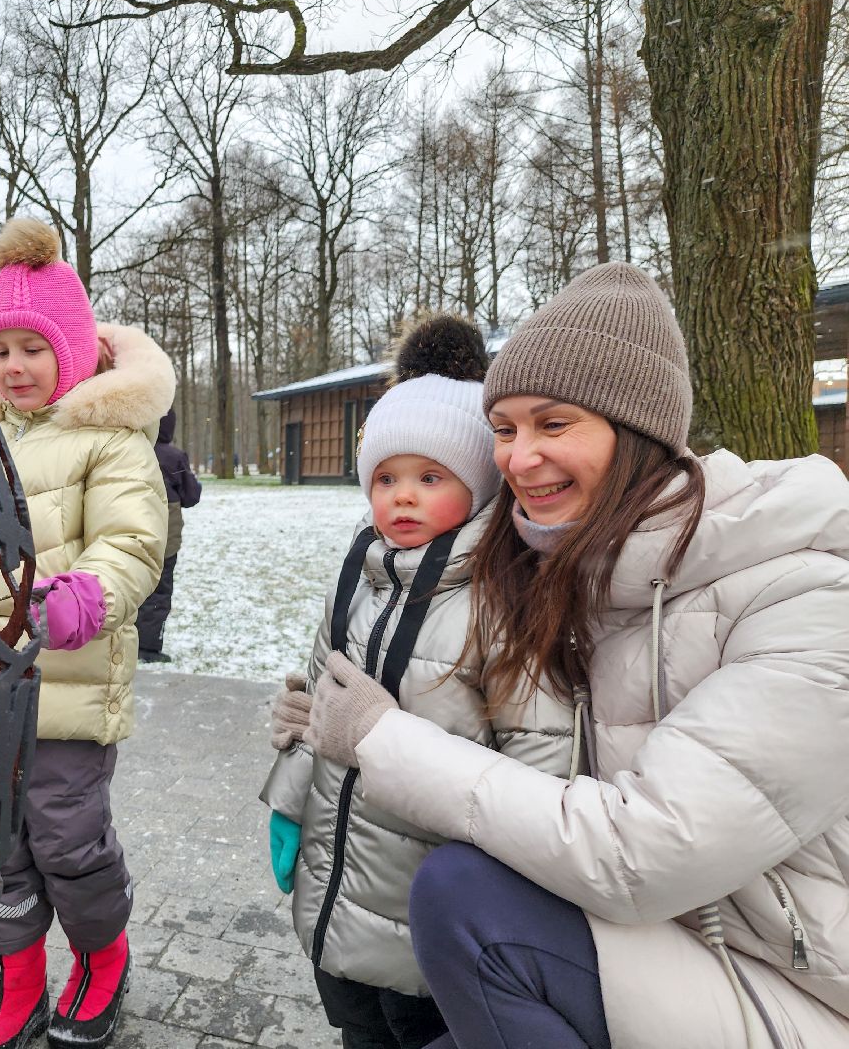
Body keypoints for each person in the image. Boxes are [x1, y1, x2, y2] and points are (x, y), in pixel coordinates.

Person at [293, 262, 849, 1049]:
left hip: (791, 990)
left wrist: (383, 738)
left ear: (641, 434)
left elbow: (645, 853)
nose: (517, 460)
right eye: (505, 430)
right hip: (663, 946)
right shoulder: (570, 572)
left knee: (466, 900)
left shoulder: (807, 598)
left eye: (553, 425)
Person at [262, 315, 572, 1049]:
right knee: (355, 1021)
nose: (402, 497)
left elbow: (540, 750)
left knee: (418, 1029)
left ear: (479, 485)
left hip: (430, 904)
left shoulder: (505, 598)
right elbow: (317, 704)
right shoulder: (358, 574)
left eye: (431, 478)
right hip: (336, 879)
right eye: (387, 478)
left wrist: (510, 897)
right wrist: (286, 799)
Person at [0, 218, 173, 1049]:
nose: (15, 366)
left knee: (66, 837)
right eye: (3, 349)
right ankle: (14, 982)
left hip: (67, 689)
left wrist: (84, 596)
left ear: (76, 348)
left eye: (33, 347)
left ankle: (101, 959)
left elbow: (132, 541)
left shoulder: (111, 439)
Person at [137, 408, 201, 663]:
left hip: (130, 526)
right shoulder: (173, 457)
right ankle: (149, 647)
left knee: (130, 584)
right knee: (160, 589)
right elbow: (191, 496)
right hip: (164, 533)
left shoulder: (131, 450)